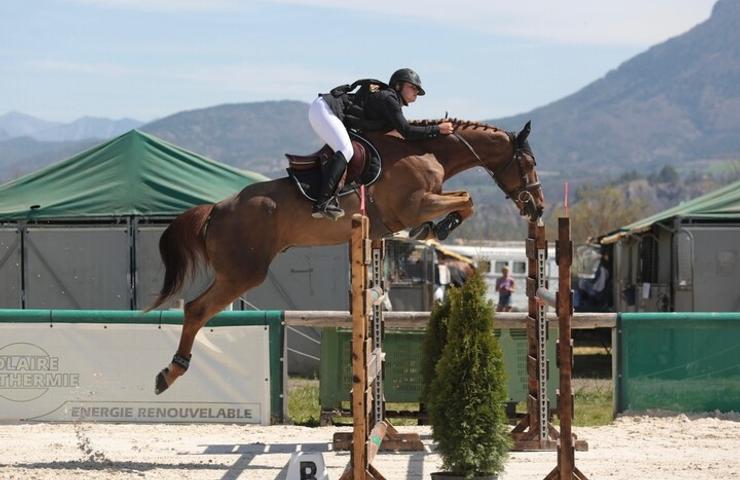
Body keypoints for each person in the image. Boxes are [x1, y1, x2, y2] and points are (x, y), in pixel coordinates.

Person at [308, 68, 454, 220]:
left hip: (330, 111)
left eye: (417, 90)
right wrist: (437, 129)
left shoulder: (390, 101)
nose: (416, 92)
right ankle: (323, 202)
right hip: (325, 109)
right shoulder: (388, 99)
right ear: (398, 86)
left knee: (346, 149)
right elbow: (407, 131)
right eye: (412, 87)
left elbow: (403, 129)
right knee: (346, 149)